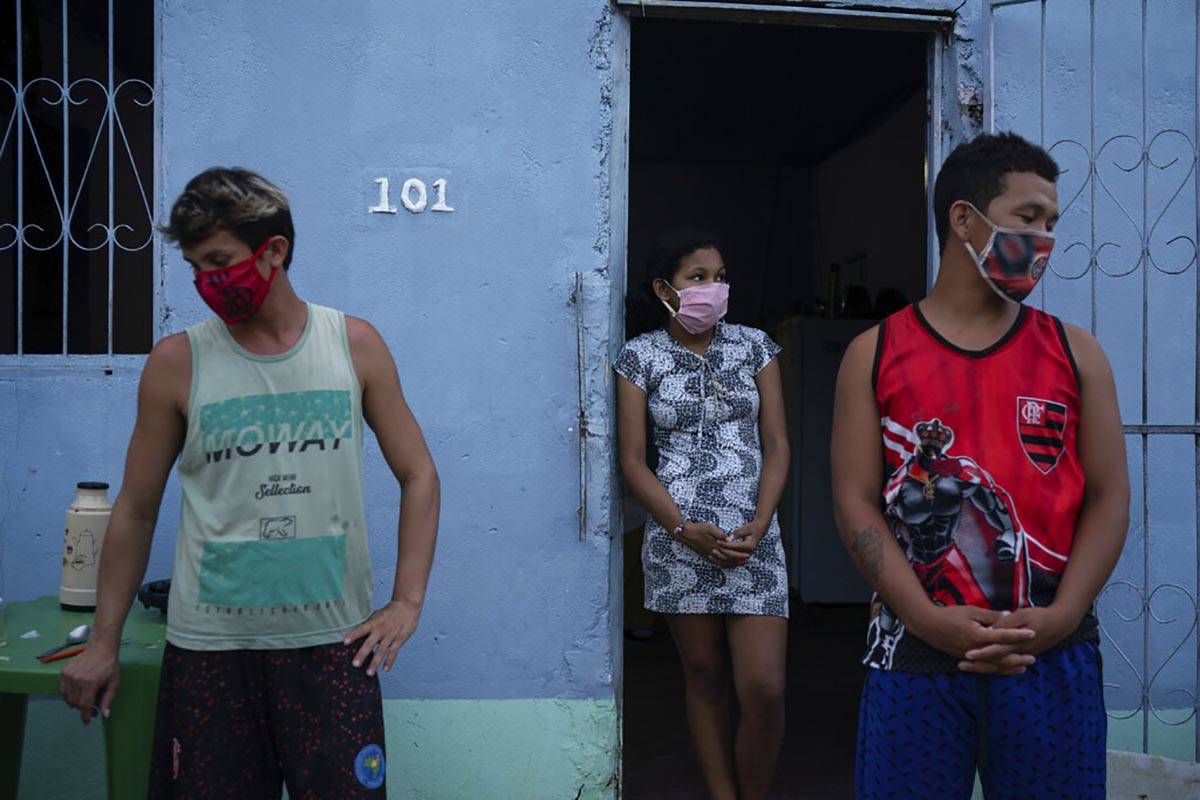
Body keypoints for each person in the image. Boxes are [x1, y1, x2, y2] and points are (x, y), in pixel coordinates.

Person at [59, 168, 440, 798]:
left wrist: (407, 603)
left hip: (333, 646)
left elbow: (419, 473)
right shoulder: (177, 363)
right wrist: (103, 641)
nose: (209, 282)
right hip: (209, 651)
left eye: (219, 260)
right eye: (195, 268)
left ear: (274, 252)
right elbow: (134, 511)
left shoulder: (354, 346)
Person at [832, 132, 1129, 799]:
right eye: (1028, 218)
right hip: (911, 655)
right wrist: (925, 617)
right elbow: (855, 500)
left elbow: (1109, 497)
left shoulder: (1076, 355)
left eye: (1052, 224)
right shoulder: (874, 353)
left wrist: (1062, 614)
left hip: (1051, 652)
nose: (1044, 240)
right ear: (964, 218)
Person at [615, 228, 790, 800]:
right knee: (705, 677)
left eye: (719, 276)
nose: (713, 288)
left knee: (764, 688)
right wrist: (683, 529)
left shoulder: (755, 346)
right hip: (679, 541)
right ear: (665, 288)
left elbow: (778, 444)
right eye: (698, 278)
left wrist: (762, 523)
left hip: (751, 539)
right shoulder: (638, 357)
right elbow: (633, 461)